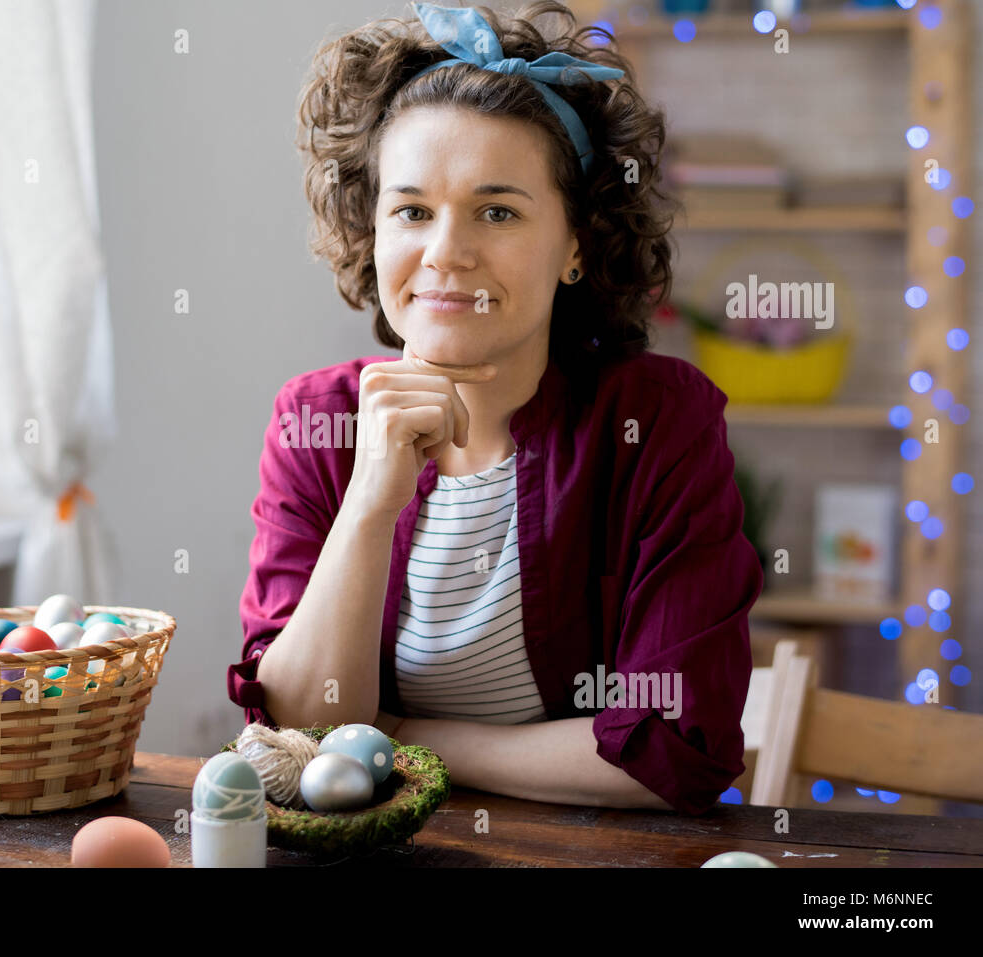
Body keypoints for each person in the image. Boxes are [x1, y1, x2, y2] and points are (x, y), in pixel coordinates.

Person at [228, 2, 763, 815]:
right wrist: (370, 504)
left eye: (498, 210)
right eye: (412, 210)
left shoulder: (659, 422)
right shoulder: (318, 421)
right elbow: (298, 737)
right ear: (370, 229)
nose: (446, 252)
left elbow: (673, 747)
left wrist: (398, 731)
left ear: (577, 243)